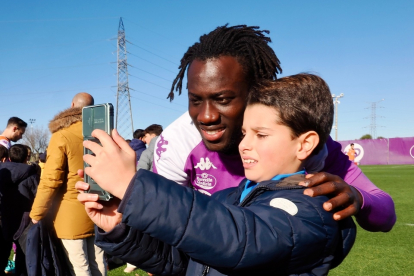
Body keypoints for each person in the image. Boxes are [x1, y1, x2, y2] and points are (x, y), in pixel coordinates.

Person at [76, 73, 356, 275]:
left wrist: (131, 185)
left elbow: (240, 240)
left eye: (261, 134)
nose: (245, 144)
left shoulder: (313, 212)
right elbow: (183, 261)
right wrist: (118, 225)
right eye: (245, 132)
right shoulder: (229, 197)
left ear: (305, 143)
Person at [153, 24, 395, 232]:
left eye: (223, 99)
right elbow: (161, 227)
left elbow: (385, 215)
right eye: (195, 100)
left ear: (258, 91)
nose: (206, 116)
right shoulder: (177, 143)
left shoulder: (299, 139)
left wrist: (359, 199)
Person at [29, 92, 107, 276]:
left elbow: (51, 179)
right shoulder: (102, 134)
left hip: (70, 212)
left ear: (72, 105)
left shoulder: (62, 135)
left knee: (78, 266)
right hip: (99, 207)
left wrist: (36, 213)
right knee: (98, 261)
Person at [0, 144, 39, 276]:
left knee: (3, 250)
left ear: (9, 157)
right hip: (25, 218)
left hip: (3, 216)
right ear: (25, 158)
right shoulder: (31, 174)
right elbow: (37, 195)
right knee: (23, 253)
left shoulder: (2, 172)